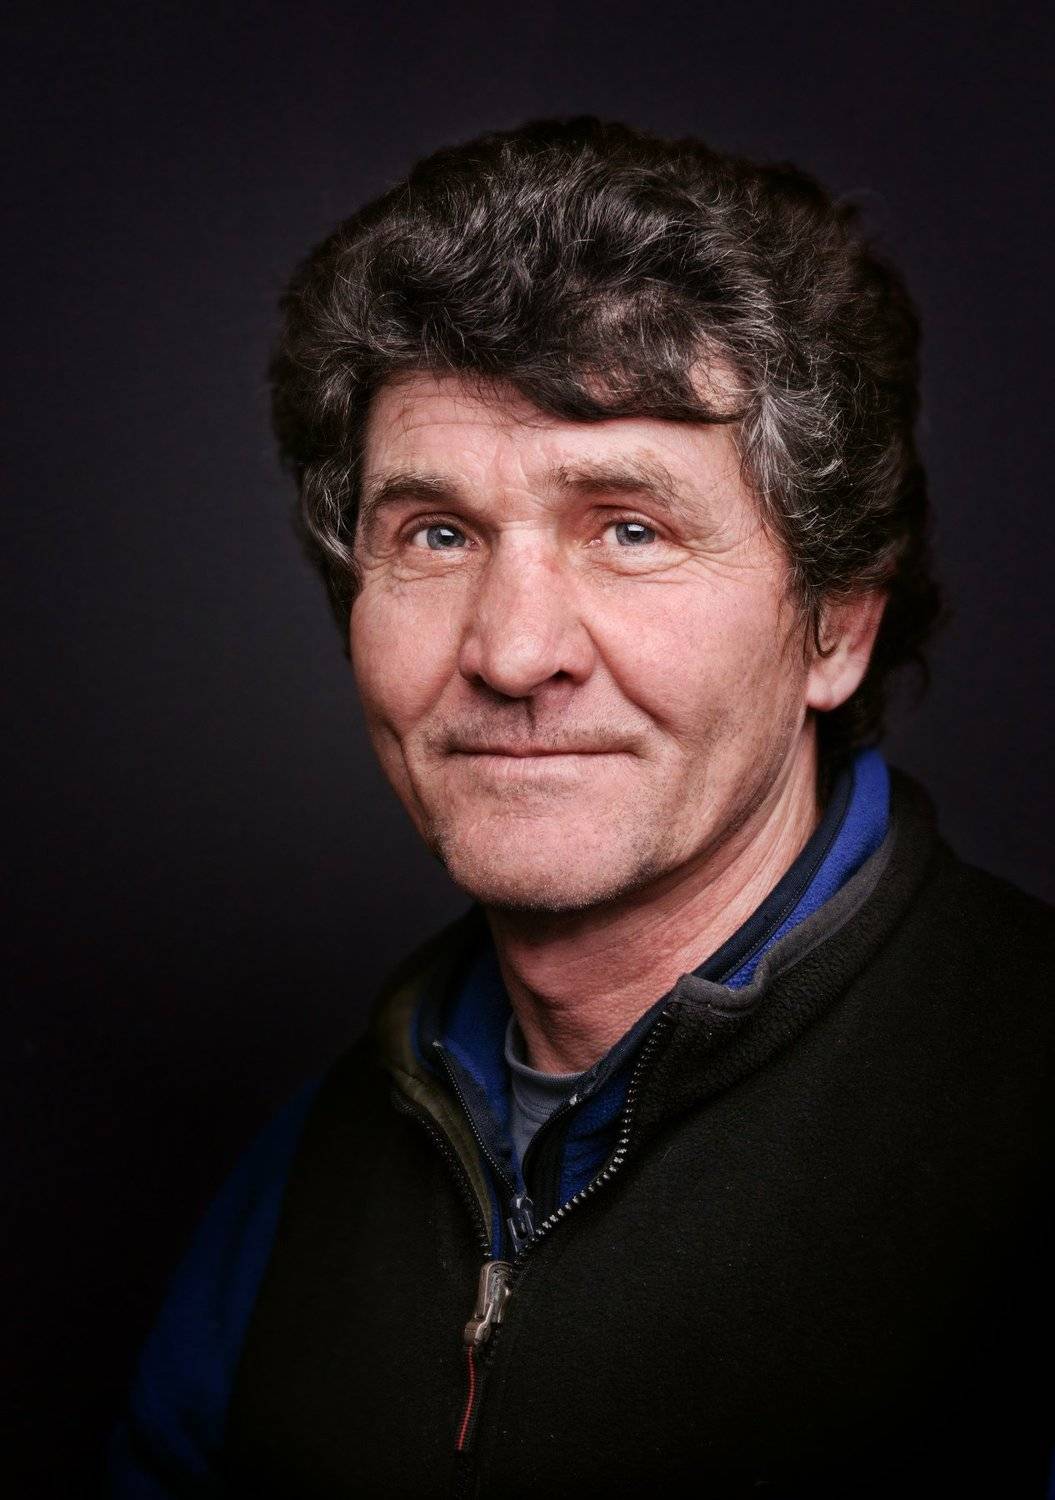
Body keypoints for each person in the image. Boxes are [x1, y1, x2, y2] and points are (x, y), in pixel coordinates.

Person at [110, 118, 1054, 1498]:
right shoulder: (305, 1169)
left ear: (837, 626)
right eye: (437, 533)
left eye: (629, 529)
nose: (511, 650)